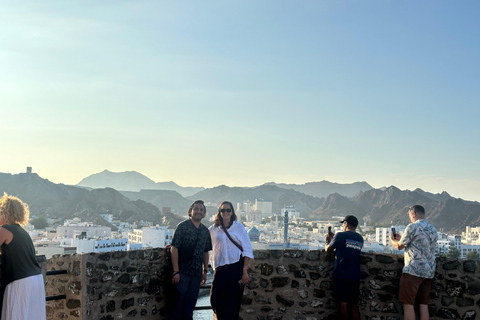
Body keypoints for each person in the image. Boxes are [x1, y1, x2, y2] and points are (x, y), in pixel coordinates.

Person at [0, 193, 46, 320]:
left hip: (20, 281)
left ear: (4, 213)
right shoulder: (23, 232)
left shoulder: (4, 230)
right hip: (36, 279)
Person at [390, 205, 437, 320]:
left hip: (413, 271)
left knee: (408, 304)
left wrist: (392, 239)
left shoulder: (412, 226)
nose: (410, 218)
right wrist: (402, 238)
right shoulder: (433, 229)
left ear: (414, 214)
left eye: (410, 215)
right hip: (429, 272)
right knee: (423, 304)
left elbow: (399, 246)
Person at [209, 201, 254, 320]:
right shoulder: (214, 228)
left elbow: (247, 249)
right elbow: (203, 240)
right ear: (219, 212)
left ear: (232, 212)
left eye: (228, 210)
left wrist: (244, 271)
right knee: (215, 299)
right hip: (220, 266)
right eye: (223, 210)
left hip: (236, 267)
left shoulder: (238, 227)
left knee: (233, 301)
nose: (226, 212)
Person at [170, 200, 212, 320]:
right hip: (182, 273)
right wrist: (176, 271)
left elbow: (206, 252)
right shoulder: (182, 227)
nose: (199, 211)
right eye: (196, 209)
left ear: (204, 214)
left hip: (196, 275)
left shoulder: (205, 231)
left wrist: (204, 272)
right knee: (177, 307)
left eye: (201, 210)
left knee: (189, 307)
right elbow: (174, 248)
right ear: (190, 211)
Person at [325, 215, 364, 320]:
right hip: (355, 275)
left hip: (342, 274)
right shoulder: (360, 238)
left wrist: (328, 241)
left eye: (343, 224)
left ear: (346, 224)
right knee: (354, 304)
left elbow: (328, 250)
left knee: (343, 303)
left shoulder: (340, 235)